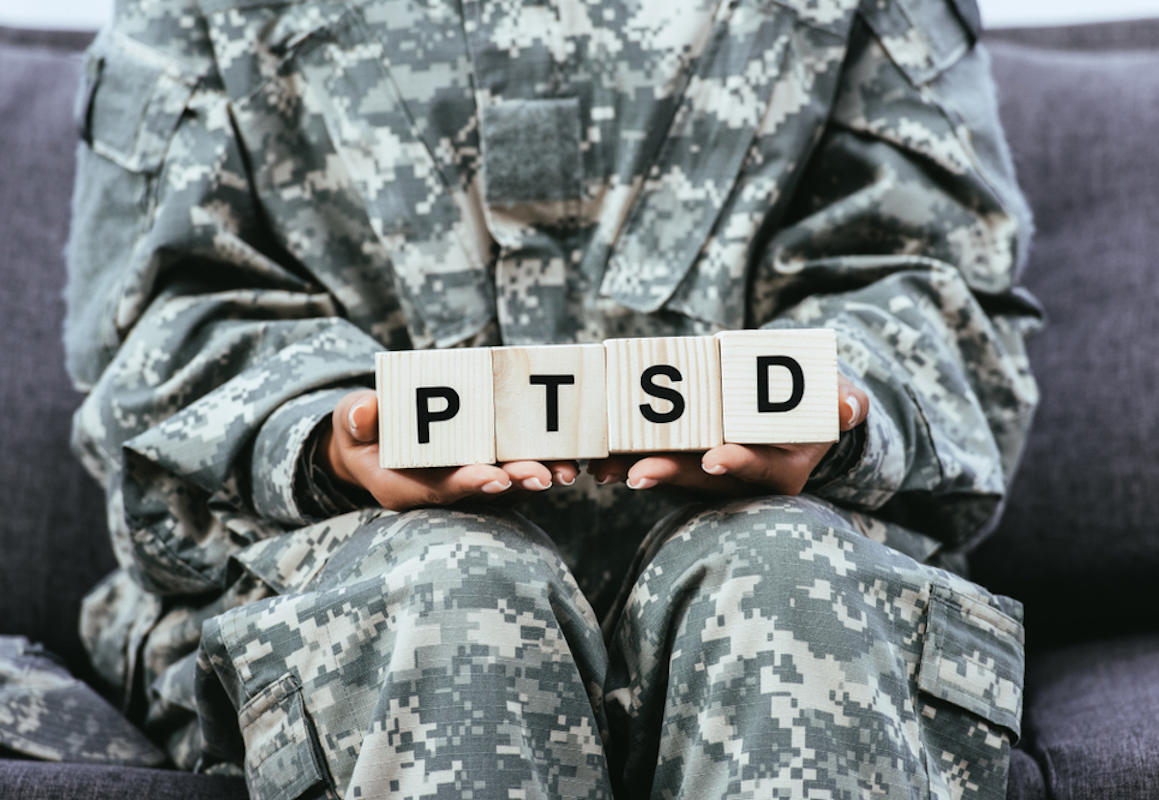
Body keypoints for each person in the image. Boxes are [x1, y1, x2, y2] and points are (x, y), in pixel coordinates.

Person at [64, 0, 1041, 796]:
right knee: (452, 595)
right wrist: (326, 439)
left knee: (784, 582)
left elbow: (933, 281)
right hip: (358, 577)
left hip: (785, 550)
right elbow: (163, 318)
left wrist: (827, 412)